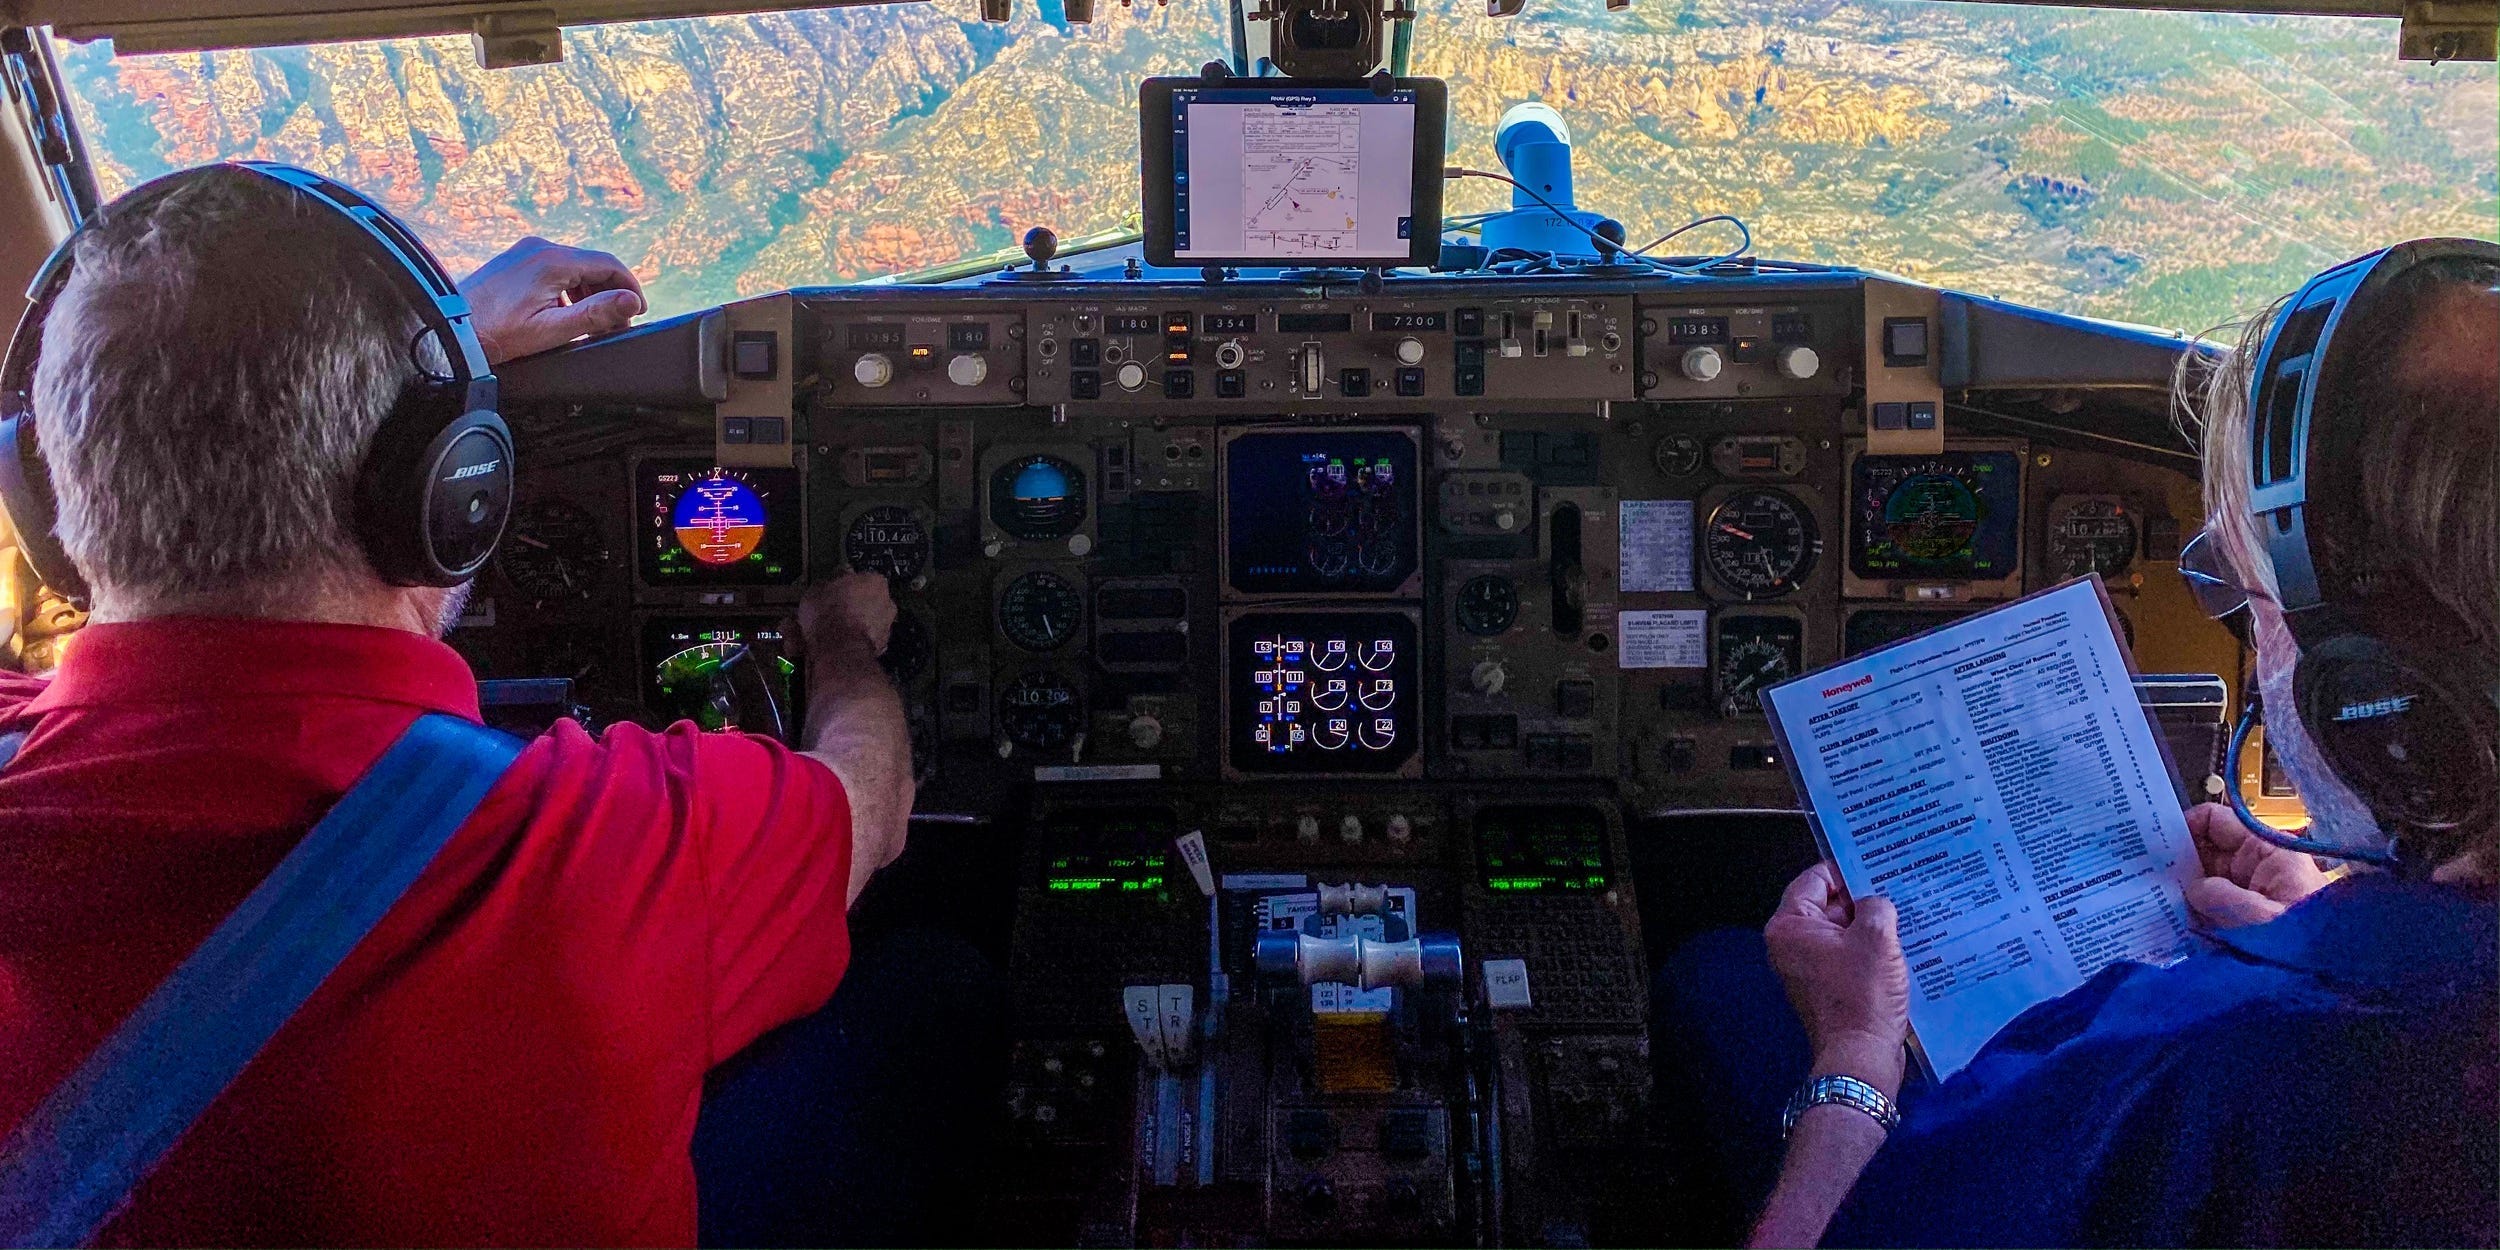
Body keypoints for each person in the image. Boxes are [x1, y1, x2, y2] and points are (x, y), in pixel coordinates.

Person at [0, 168, 925, 1244]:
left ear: (49, 509)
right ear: (451, 493)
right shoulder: (601, 852)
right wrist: (841, 637)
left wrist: (435, 360)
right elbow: (874, 799)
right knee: (927, 984)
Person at [1668, 245, 2498, 1249]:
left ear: (2373, 694)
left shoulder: (2183, 1067)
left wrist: (1851, 1060)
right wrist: (2328, 930)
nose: (2251, 639)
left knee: (1713, 981)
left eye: (2250, 601)